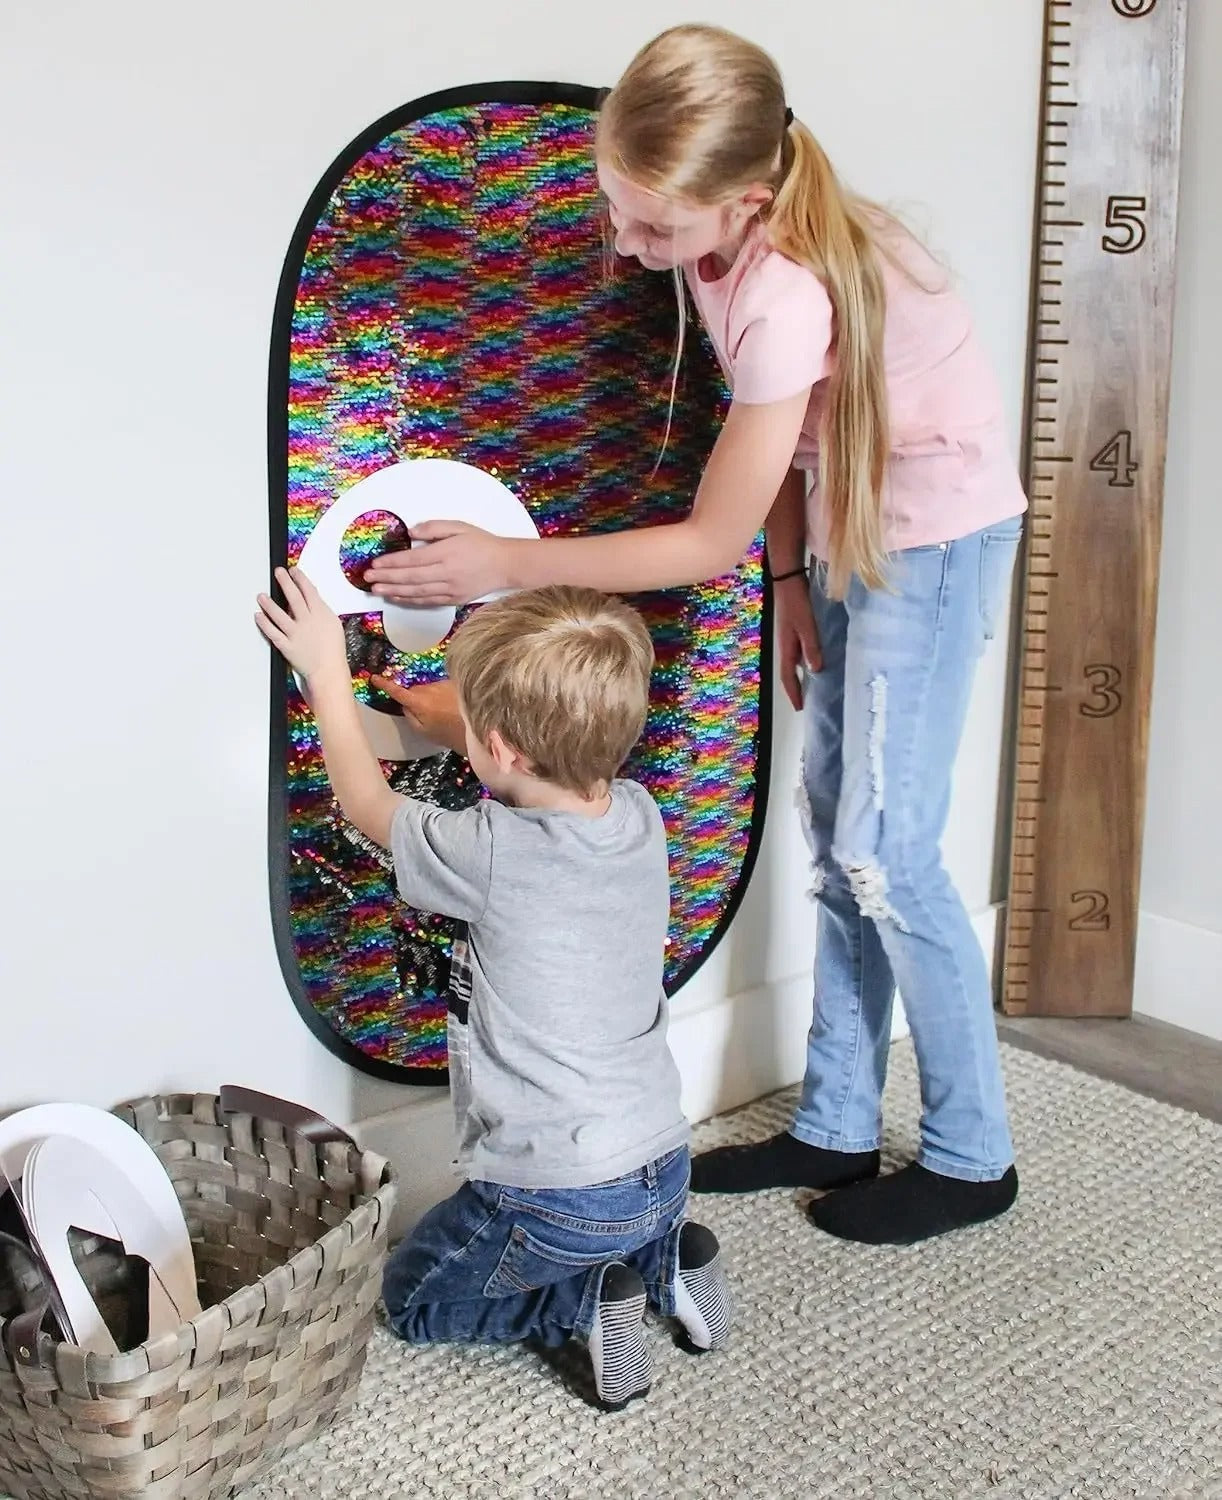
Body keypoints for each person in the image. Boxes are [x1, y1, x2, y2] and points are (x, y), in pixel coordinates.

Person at [361, 23, 1028, 1247]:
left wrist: (508, 562)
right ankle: (833, 1118)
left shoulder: (784, 290)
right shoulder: (720, 250)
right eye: (617, 213)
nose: (628, 247)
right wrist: (790, 580)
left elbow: (700, 536)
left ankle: (973, 1151)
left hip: (928, 543)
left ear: (748, 199)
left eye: (654, 229)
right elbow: (773, 460)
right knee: (836, 840)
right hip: (844, 527)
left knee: (888, 853)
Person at [255, 571, 731, 1409]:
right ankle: (674, 1267)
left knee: (414, 1296)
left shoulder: (491, 851)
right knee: (634, 1227)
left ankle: (582, 1303)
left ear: (502, 748)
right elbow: (538, 753)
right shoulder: (639, 816)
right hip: (660, 1159)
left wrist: (329, 671)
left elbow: (366, 801)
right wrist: (477, 721)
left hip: (557, 1190)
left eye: (470, 723)